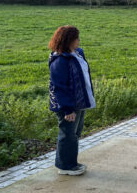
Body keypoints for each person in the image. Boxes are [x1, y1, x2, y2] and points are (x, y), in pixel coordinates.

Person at [48, 25, 96, 176]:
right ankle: (65, 166)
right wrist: (67, 109)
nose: (79, 41)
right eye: (76, 38)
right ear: (68, 40)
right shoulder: (59, 60)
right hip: (67, 104)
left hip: (79, 101)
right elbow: (59, 87)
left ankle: (70, 162)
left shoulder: (78, 53)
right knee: (67, 134)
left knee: (75, 133)